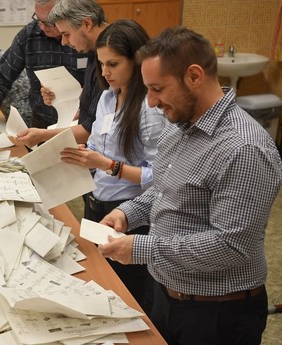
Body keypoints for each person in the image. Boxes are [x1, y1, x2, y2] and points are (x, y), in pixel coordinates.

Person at [98, 26, 282, 345]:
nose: (152, 102)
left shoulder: (244, 148)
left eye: (158, 89)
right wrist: (127, 214)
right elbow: (166, 188)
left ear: (194, 76)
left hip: (218, 314)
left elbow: (230, 246)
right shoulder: (180, 124)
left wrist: (139, 248)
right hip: (168, 295)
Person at [59, 19, 166, 313]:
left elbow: (160, 178)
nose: (105, 72)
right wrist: (86, 154)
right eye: (101, 63)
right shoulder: (107, 97)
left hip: (131, 212)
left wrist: (109, 165)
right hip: (98, 203)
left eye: (113, 64)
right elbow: (96, 143)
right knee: (104, 286)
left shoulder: (150, 109)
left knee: (130, 297)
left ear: (136, 61)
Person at [0, 0, 89, 130]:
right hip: (43, 120)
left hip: (81, 121)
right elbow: (3, 75)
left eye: (49, 22)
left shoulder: (83, 36)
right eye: (38, 19)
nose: (42, 27)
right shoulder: (29, 35)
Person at [15, 0, 108, 147]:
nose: (64, 42)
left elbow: (91, 128)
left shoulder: (110, 55)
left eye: (66, 34)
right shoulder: (94, 52)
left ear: (87, 24)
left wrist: (42, 135)